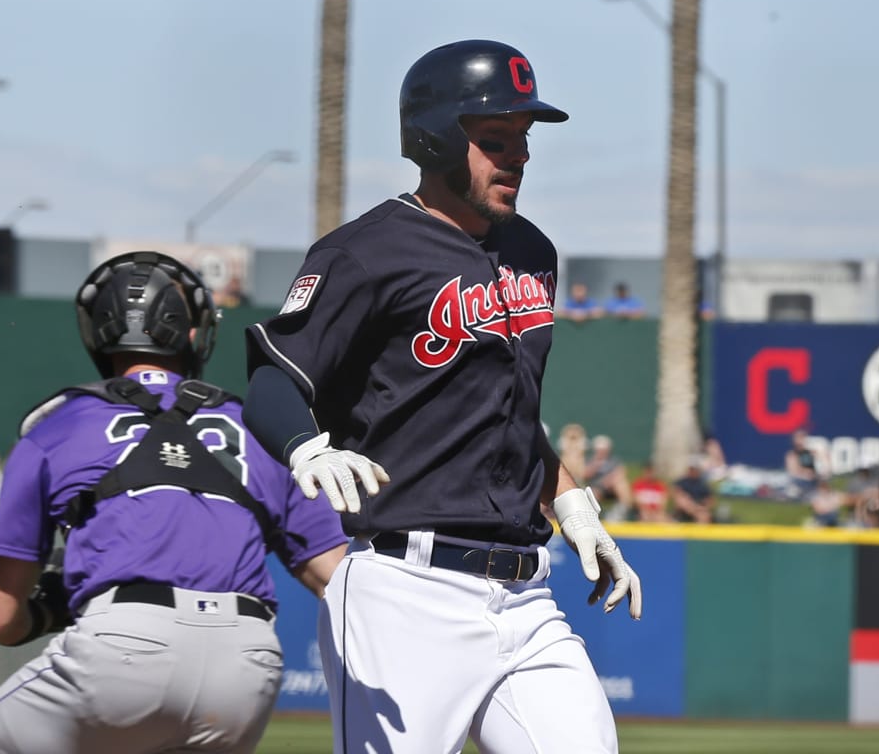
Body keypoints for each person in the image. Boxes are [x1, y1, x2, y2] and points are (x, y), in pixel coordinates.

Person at [240, 40, 641, 754]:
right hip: (406, 593)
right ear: (431, 138)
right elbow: (274, 377)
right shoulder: (364, 252)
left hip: (525, 597)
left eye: (522, 140)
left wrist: (574, 505)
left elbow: (507, 417)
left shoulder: (533, 252)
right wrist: (304, 445)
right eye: (495, 140)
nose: (517, 157)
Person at [0, 251, 347, 754]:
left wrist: (49, 609)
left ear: (99, 334)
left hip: (123, 649)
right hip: (247, 664)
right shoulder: (256, 428)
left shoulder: (58, 426)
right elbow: (339, 579)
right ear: (193, 334)